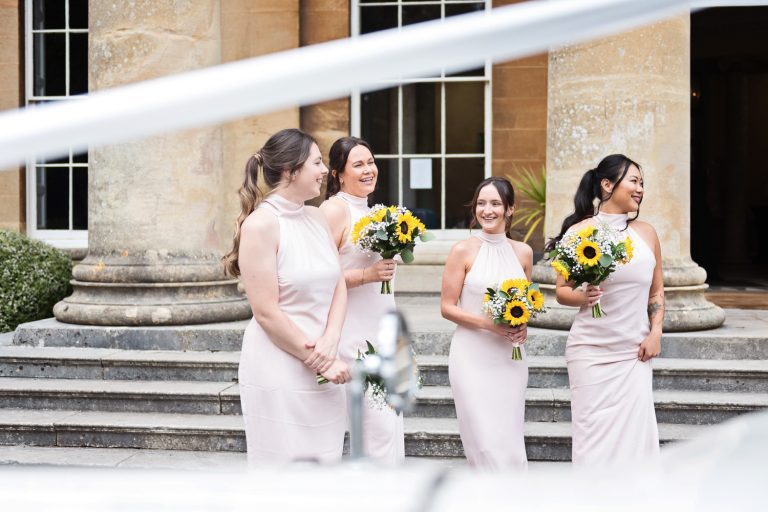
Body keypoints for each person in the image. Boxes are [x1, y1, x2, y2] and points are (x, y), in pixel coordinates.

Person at [222, 128, 350, 465]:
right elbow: (267, 313)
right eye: (317, 162)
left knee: (326, 465)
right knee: (284, 473)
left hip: (326, 359)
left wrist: (332, 339)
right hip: (281, 363)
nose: (325, 171)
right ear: (292, 171)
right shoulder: (261, 226)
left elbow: (338, 284)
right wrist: (320, 358)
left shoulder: (316, 216)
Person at [548, 154, 663, 467]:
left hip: (634, 352)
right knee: (592, 440)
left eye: (642, 183)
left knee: (637, 441)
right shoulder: (579, 232)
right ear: (607, 184)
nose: (640, 189)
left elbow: (656, 290)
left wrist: (655, 333)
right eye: (634, 181)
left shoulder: (648, 233)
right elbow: (561, 291)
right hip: (590, 352)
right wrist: (583, 295)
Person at [319, 136, 405, 464]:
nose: (369, 170)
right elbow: (316, 277)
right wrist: (368, 276)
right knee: (375, 423)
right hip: (353, 332)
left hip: (380, 325)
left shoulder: (372, 211)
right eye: (358, 164)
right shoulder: (334, 210)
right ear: (338, 174)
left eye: (371, 162)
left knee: (388, 421)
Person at [440, 177, 532, 470]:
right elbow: (446, 307)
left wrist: (522, 326)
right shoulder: (462, 250)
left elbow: (524, 303)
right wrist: (489, 324)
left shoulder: (524, 252)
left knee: (508, 439)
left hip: (510, 359)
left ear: (510, 209)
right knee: (484, 442)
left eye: (495, 203)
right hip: (472, 357)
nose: (487, 210)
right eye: (481, 203)